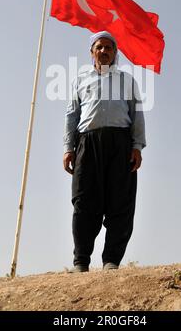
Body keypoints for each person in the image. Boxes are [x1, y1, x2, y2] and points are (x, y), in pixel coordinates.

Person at [63, 31, 146, 272]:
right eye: (99, 47)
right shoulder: (80, 80)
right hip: (87, 144)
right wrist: (68, 148)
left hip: (120, 144)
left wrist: (137, 146)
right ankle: (81, 261)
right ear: (92, 52)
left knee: (121, 202)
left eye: (109, 47)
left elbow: (137, 114)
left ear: (115, 52)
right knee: (84, 202)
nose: (104, 51)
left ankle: (111, 260)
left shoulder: (127, 80)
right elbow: (71, 116)